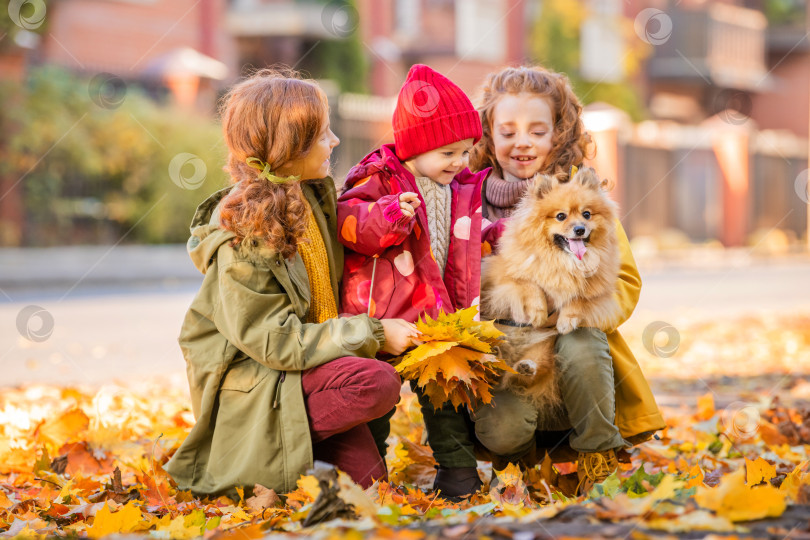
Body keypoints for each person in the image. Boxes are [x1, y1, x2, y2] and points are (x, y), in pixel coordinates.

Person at [164, 68, 420, 497]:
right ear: (288, 147)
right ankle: (255, 457)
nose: (335, 141)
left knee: (369, 489)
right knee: (375, 381)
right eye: (323, 135)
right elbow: (276, 343)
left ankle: (303, 457)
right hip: (262, 383)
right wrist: (373, 332)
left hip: (310, 371)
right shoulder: (244, 236)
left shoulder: (311, 196)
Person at [469, 65, 666, 492]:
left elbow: (625, 283)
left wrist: (570, 302)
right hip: (505, 356)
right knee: (504, 427)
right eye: (508, 131)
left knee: (581, 343)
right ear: (488, 133)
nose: (522, 142)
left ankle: (596, 458)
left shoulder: (584, 201)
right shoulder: (466, 200)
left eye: (537, 131)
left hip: (575, 359)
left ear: (559, 134)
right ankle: (521, 467)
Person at [337, 64, 490, 499]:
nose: (461, 162)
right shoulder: (378, 179)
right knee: (380, 402)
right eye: (449, 153)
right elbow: (350, 224)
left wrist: (493, 239)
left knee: (446, 396)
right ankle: (370, 477)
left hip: (436, 316)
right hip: (385, 320)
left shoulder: (458, 186)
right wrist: (389, 214)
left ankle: (458, 474)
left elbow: (462, 242)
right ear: (414, 147)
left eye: (466, 151)